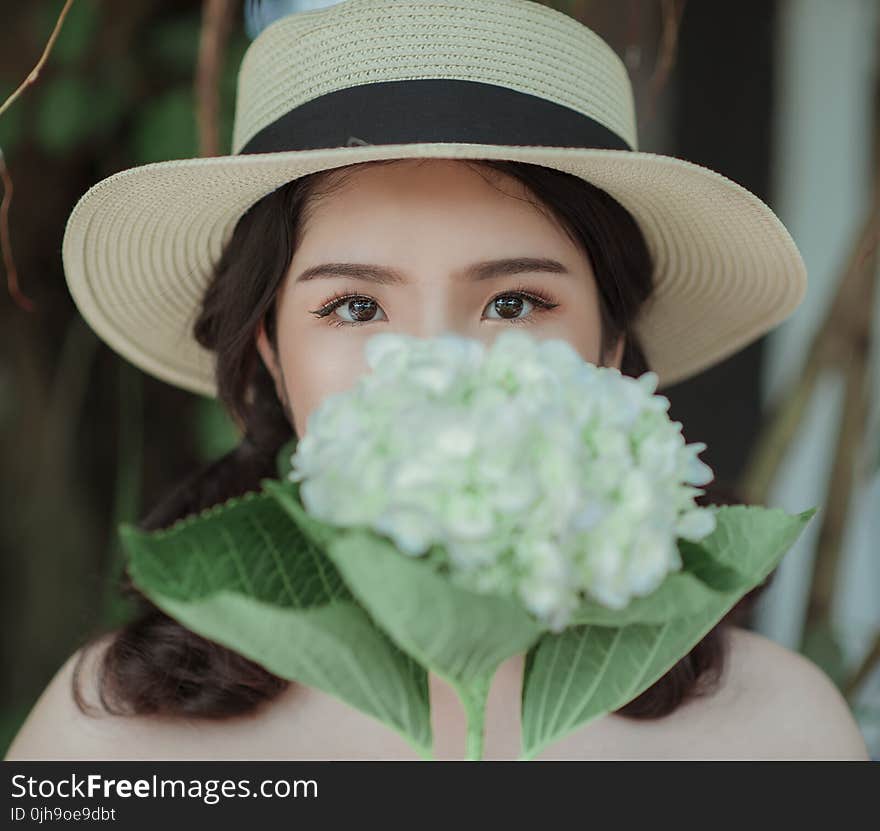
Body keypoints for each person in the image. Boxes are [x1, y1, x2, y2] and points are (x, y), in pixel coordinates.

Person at [5, 0, 870, 760]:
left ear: (611, 349)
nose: (437, 368)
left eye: (514, 302)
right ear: (269, 351)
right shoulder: (119, 738)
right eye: (353, 308)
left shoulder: (775, 736)